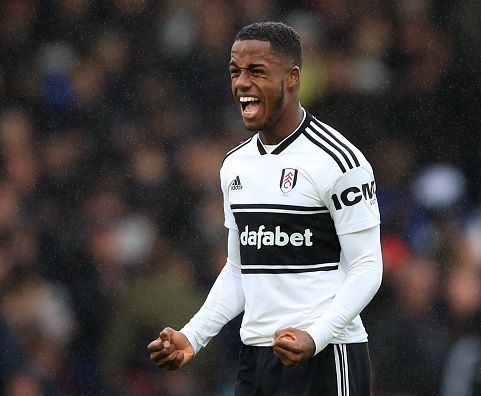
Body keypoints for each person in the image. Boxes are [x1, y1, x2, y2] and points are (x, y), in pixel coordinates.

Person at [147, 21, 383, 395]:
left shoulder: (339, 162)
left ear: (292, 78)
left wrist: (316, 335)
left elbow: (368, 267)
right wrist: (193, 334)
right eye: (235, 71)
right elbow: (240, 269)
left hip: (326, 356)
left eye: (256, 71)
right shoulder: (235, 166)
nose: (242, 83)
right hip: (256, 359)